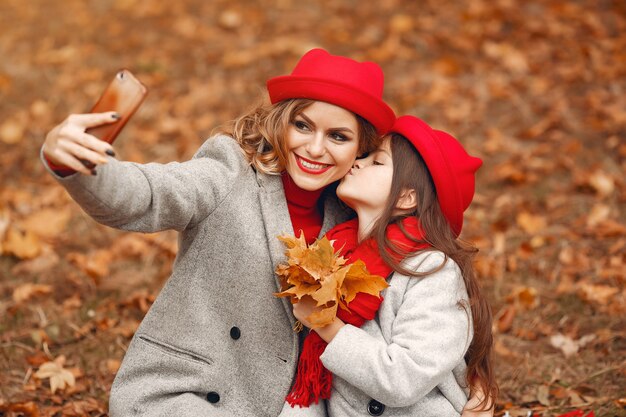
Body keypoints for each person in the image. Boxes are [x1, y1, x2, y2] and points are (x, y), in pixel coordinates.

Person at [41, 47, 491, 416]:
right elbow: (153, 193)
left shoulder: (352, 220)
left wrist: (464, 385)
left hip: (280, 406)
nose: (315, 149)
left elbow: (411, 326)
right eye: (303, 125)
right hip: (186, 392)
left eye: (338, 137)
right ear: (282, 122)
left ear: (359, 149)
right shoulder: (228, 172)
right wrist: (79, 165)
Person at [280, 115, 497, 416]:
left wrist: (327, 324)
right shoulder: (333, 250)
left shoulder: (431, 270)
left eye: (376, 162)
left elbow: (404, 379)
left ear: (407, 197)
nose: (357, 162)